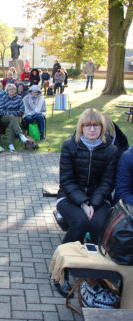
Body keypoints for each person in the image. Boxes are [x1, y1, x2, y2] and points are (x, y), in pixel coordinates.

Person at [55, 108, 118, 297]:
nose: (92, 129)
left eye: (96, 125)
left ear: (102, 127)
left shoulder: (110, 150)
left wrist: (94, 203)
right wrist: (83, 202)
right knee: (80, 222)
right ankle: (61, 271)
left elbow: (107, 182)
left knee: (99, 224)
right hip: (69, 197)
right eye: (87, 125)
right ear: (81, 127)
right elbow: (66, 180)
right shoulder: (69, 146)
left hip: (98, 199)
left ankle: (98, 273)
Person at [0, 83, 27, 151]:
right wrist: (12, 114)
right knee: (11, 117)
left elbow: (22, 110)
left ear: (15, 90)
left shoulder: (19, 98)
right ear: (7, 91)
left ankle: (10, 144)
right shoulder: (3, 98)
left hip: (17, 117)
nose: (11, 90)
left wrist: (13, 114)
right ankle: (20, 134)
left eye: (13, 89)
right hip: (5, 118)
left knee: (12, 123)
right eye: (10, 89)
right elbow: (1, 110)